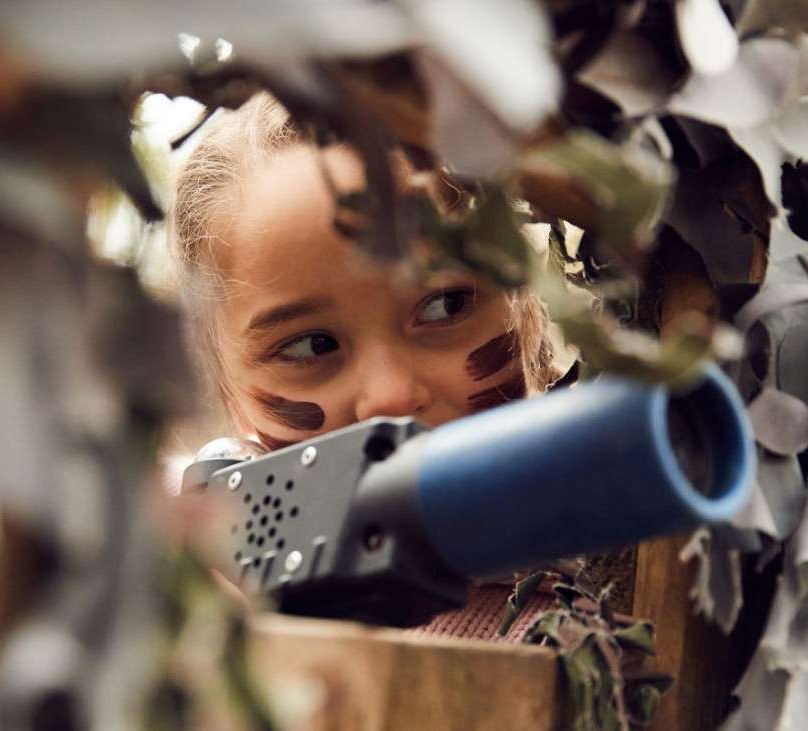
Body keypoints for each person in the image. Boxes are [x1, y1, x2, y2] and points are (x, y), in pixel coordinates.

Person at [167, 92, 577, 641]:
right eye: (312, 346)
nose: (390, 397)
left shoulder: (621, 577)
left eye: (445, 306)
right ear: (224, 387)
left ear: (520, 302)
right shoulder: (199, 613)